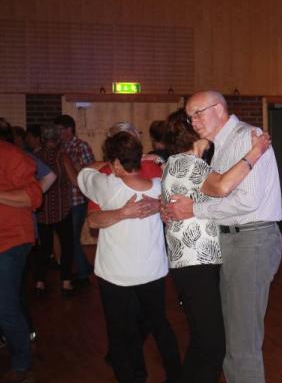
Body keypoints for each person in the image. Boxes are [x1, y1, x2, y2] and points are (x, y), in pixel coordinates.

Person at [163, 90, 282, 383]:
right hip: (230, 241)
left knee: (241, 343)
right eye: (190, 117)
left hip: (250, 240)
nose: (193, 121)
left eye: (198, 113)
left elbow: (246, 200)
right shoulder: (218, 146)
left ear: (219, 109)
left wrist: (194, 209)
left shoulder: (245, 138)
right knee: (229, 340)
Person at [78, 132, 181, 383]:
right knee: (159, 325)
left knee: (118, 333)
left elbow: (84, 173)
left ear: (115, 164)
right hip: (152, 272)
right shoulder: (158, 186)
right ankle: (176, 376)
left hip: (115, 275)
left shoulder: (107, 186)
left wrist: (121, 211)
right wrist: (149, 160)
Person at [0, 118, 42, 383]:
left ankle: (21, 362)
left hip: (11, 239)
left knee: (4, 305)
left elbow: (33, 197)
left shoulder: (11, 155)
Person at [34, 124, 78, 296]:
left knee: (44, 248)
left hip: (42, 210)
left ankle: (40, 283)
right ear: (58, 139)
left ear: (42, 139)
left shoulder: (35, 157)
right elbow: (75, 181)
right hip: (62, 209)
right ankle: (66, 283)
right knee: (67, 246)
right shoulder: (62, 156)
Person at [54, 114, 95, 285]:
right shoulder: (58, 147)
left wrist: (75, 167)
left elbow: (91, 170)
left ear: (69, 129)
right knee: (70, 238)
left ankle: (83, 274)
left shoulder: (81, 146)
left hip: (77, 200)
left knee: (72, 238)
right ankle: (84, 267)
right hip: (63, 200)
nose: (57, 133)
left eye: (59, 129)